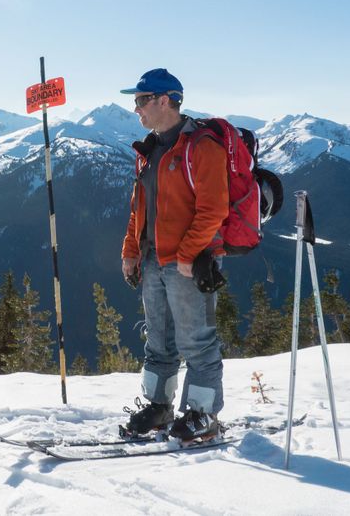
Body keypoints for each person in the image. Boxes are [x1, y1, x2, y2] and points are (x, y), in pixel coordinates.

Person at [119, 68, 229, 442]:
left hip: (186, 263)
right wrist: (131, 251)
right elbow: (139, 208)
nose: (136, 109)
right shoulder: (149, 151)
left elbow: (214, 208)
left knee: (196, 341)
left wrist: (188, 253)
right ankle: (159, 407)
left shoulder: (201, 147)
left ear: (164, 100)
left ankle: (203, 414)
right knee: (159, 340)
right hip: (152, 261)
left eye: (140, 101)